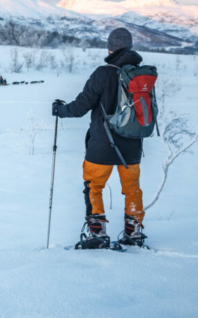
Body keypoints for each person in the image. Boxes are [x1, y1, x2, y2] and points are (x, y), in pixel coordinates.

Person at [52, 27, 147, 249]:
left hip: (102, 145)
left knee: (94, 186)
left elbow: (80, 106)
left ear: (110, 48)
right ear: (130, 47)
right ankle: (133, 233)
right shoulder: (140, 75)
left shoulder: (103, 73)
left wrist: (60, 110)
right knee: (132, 187)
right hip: (132, 144)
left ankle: (97, 234)